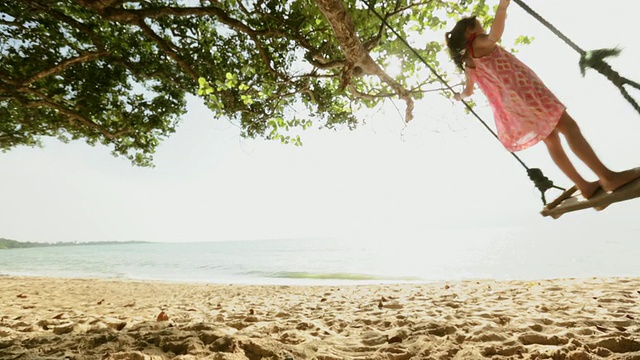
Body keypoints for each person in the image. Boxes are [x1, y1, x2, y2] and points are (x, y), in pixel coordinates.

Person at [444, 0, 639, 199]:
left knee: (552, 140)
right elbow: (494, 36)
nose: (483, 29)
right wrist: (502, 7)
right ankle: (607, 178)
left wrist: (458, 96)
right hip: (527, 94)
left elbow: (468, 91)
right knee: (569, 127)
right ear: (470, 31)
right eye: (479, 26)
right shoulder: (478, 42)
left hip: (514, 106)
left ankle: (584, 185)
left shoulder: (468, 61)